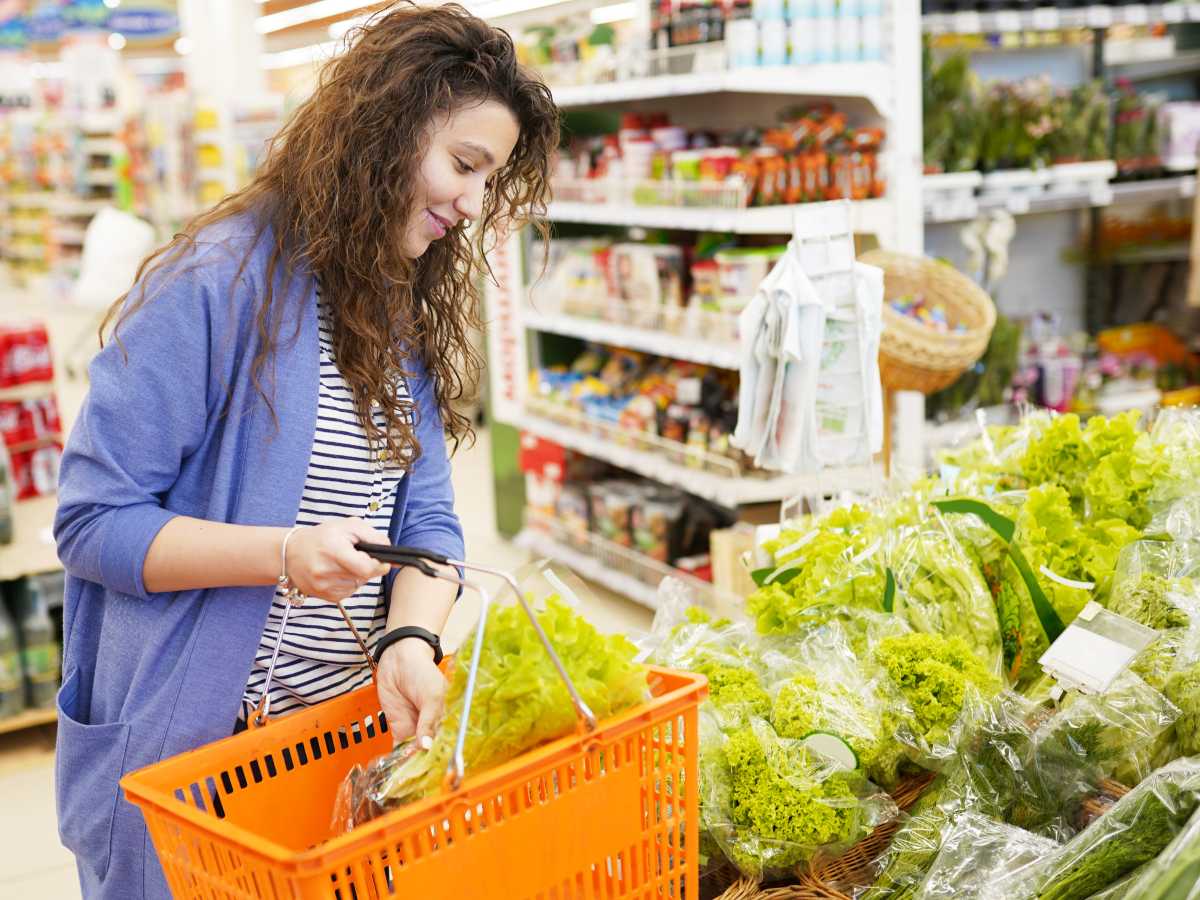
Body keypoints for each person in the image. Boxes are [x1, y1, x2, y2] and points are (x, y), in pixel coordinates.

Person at [51, 5, 558, 897]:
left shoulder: (392, 303)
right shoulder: (216, 282)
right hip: (203, 751)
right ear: (385, 131)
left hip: (340, 744)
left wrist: (410, 637)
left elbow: (428, 519)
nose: (476, 204)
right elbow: (93, 524)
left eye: (491, 179)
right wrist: (280, 556)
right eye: (465, 166)